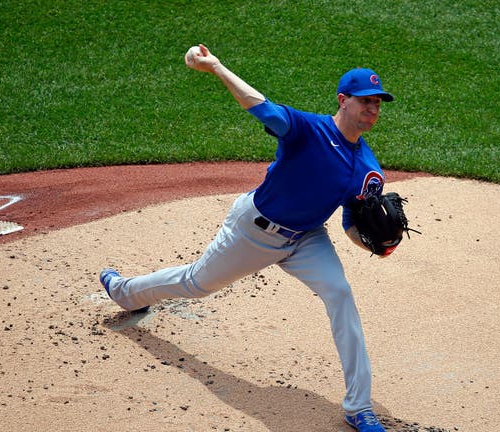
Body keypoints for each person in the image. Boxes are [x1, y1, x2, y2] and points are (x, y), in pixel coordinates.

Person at [100, 44, 396, 432]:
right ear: (342, 100)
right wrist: (216, 67)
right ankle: (126, 291)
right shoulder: (308, 130)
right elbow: (260, 106)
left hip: (307, 239)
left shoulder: (368, 167)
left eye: (377, 103)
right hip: (255, 229)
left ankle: (359, 407)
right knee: (196, 283)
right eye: (365, 101)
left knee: (340, 293)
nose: (372, 109)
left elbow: (349, 224)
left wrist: (379, 245)